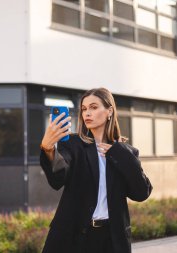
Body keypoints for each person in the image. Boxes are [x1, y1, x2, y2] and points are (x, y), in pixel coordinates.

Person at [39, 87, 153, 253]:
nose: (87, 113)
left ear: (109, 111)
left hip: (112, 239)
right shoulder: (72, 145)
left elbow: (141, 192)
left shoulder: (126, 152)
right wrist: (48, 148)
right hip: (75, 237)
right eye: (84, 109)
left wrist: (120, 153)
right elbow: (58, 178)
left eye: (93, 107)